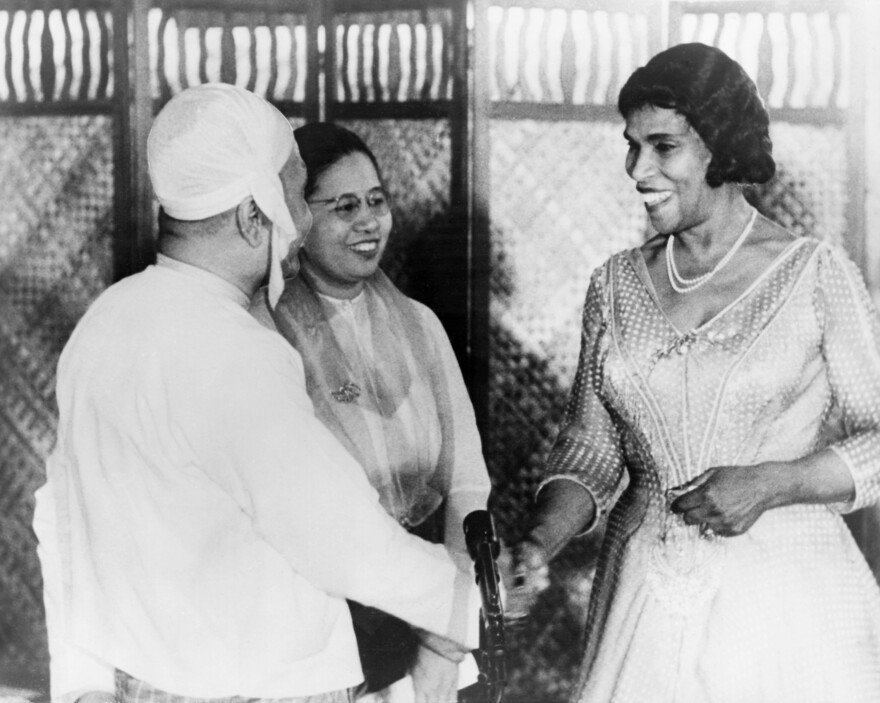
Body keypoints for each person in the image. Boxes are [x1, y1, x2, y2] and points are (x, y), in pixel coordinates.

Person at [32, 83, 480, 703]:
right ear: (251, 216)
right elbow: (341, 540)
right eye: (299, 197)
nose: (300, 225)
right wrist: (468, 606)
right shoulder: (236, 350)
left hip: (134, 683)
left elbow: (57, 516)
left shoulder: (107, 320)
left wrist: (80, 680)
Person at [510, 43, 880, 702]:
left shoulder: (814, 274)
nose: (638, 169)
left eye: (663, 147)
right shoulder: (615, 285)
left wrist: (773, 482)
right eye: (632, 146)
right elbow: (590, 448)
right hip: (642, 598)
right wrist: (541, 539)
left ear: (722, 145)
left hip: (786, 610)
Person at [249, 123, 491, 703]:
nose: (368, 221)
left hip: (431, 622)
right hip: (320, 629)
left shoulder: (422, 326)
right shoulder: (265, 334)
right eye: (344, 206)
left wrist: (443, 639)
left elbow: (466, 486)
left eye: (377, 202)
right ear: (297, 221)